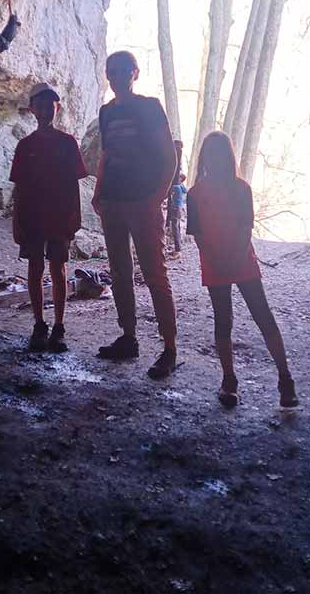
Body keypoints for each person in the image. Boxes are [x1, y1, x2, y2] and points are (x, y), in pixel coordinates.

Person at [186, 130, 298, 408]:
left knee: (262, 315)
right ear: (204, 159)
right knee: (225, 320)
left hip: (237, 260)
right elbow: (197, 234)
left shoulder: (241, 189)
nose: (215, 160)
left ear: (227, 157)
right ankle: (229, 380)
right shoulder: (195, 194)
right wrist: (220, 258)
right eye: (210, 155)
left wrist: (231, 258)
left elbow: (245, 228)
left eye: (219, 154)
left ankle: (285, 378)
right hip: (218, 261)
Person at [92, 51, 179, 379]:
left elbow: (169, 157)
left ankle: (169, 348)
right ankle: (128, 337)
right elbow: (107, 155)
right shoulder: (106, 112)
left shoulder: (149, 107)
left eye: (122, 71)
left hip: (142, 201)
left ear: (135, 73)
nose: (115, 76)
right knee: (119, 273)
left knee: (155, 273)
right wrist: (99, 192)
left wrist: (155, 198)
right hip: (114, 201)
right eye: (110, 71)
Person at [9, 86, 88, 352]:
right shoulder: (25, 146)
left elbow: (74, 184)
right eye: (40, 105)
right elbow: (18, 187)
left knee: (58, 269)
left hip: (58, 215)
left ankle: (59, 326)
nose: (45, 110)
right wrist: (16, 220)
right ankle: (39, 324)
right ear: (32, 109)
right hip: (32, 216)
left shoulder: (68, 143)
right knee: (34, 268)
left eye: (50, 105)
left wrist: (74, 217)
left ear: (58, 108)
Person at [167, 172, 187, 257]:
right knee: (177, 228)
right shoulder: (182, 187)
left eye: (178, 177)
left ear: (180, 179)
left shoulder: (176, 187)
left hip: (175, 209)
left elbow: (168, 190)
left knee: (175, 229)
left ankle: (178, 251)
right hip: (179, 209)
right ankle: (177, 249)